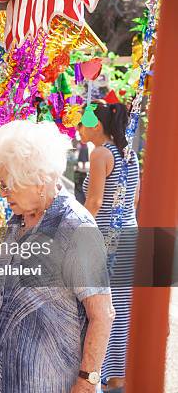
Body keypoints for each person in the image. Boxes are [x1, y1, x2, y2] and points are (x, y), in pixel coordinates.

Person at [0, 121, 115, 393]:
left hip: (50, 381)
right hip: (0, 377)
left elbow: (102, 314)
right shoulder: (19, 219)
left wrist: (87, 382)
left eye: (8, 185)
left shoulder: (75, 226)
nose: (2, 193)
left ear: (36, 178)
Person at [79, 102, 139, 391]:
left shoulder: (100, 153)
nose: (79, 128)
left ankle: (101, 377)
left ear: (96, 125)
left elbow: (94, 202)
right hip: (130, 233)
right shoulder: (129, 154)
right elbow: (133, 200)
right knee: (123, 310)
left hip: (107, 237)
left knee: (103, 310)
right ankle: (119, 378)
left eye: (82, 122)